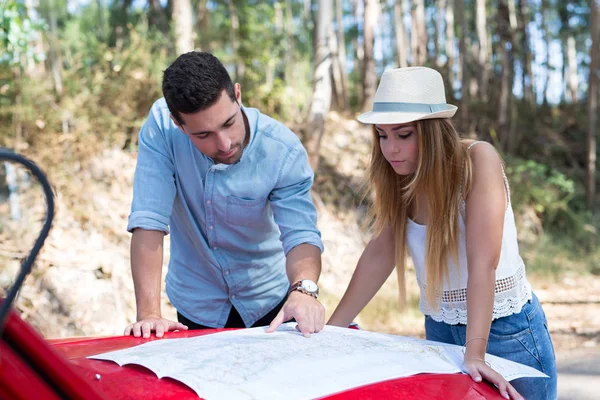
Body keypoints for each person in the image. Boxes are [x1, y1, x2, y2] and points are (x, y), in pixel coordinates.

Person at [327, 67, 557, 400]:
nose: (390, 148)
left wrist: (474, 353)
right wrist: (334, 330)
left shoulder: (477, 160)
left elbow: (483, 263)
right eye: (382, 134)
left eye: (403, 135)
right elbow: (382, 252)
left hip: (505, 332)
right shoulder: (400, 177)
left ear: (432, 131)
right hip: (439, 331)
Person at [123, 52, 325, 339]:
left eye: (229, 123)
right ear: (178, 125)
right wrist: (149, 314)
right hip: (196, 305)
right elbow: (149, 218)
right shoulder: (161, 127)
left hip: (269, 300)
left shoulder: (282, 150)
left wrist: (304, 290)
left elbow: (301, 234)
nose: (225, 143)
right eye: (203, 135)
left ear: (238, 94)